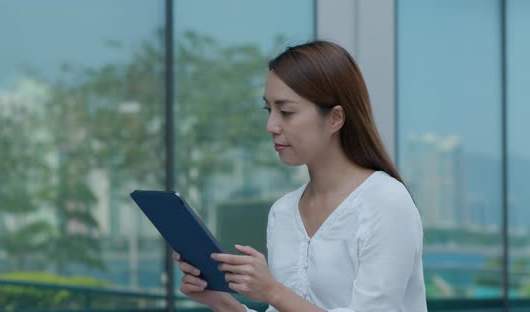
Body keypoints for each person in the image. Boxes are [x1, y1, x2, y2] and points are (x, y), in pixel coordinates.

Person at [173, 40, 427, 312]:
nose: (271, 126)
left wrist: (271, 291)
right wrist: (220, 301)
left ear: (335, 118)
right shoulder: (282, 212)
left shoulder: (386, 202)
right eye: (269, 111)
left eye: (286, 112)